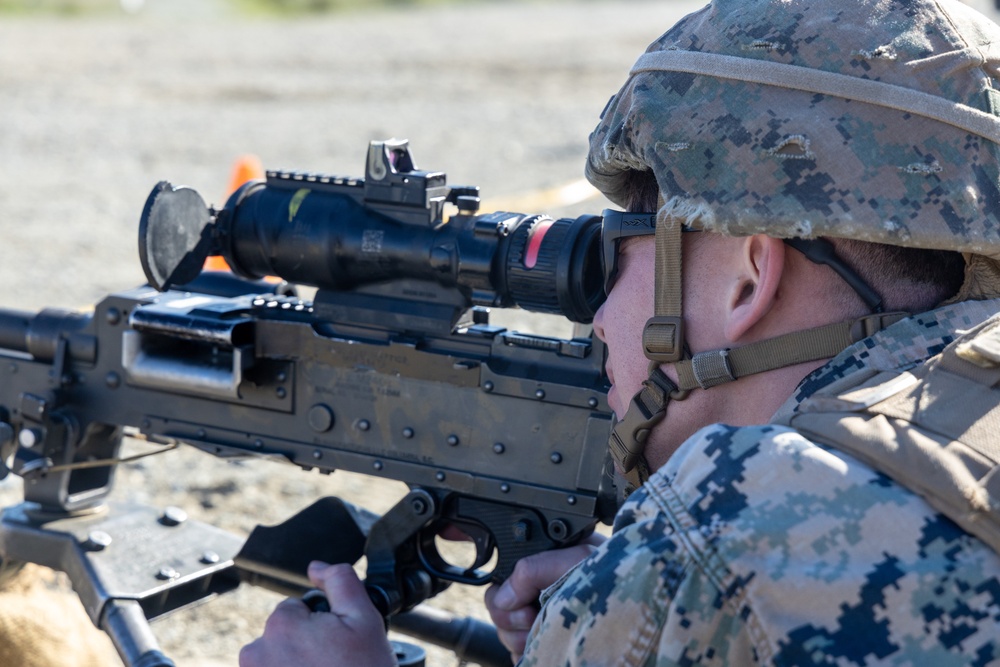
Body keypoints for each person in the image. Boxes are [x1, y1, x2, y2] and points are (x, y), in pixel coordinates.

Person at [240, 0, 1000, 664]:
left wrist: (669, 581)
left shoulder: (728, 526)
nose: (600, 315)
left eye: (618, 255)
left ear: (748, 278)